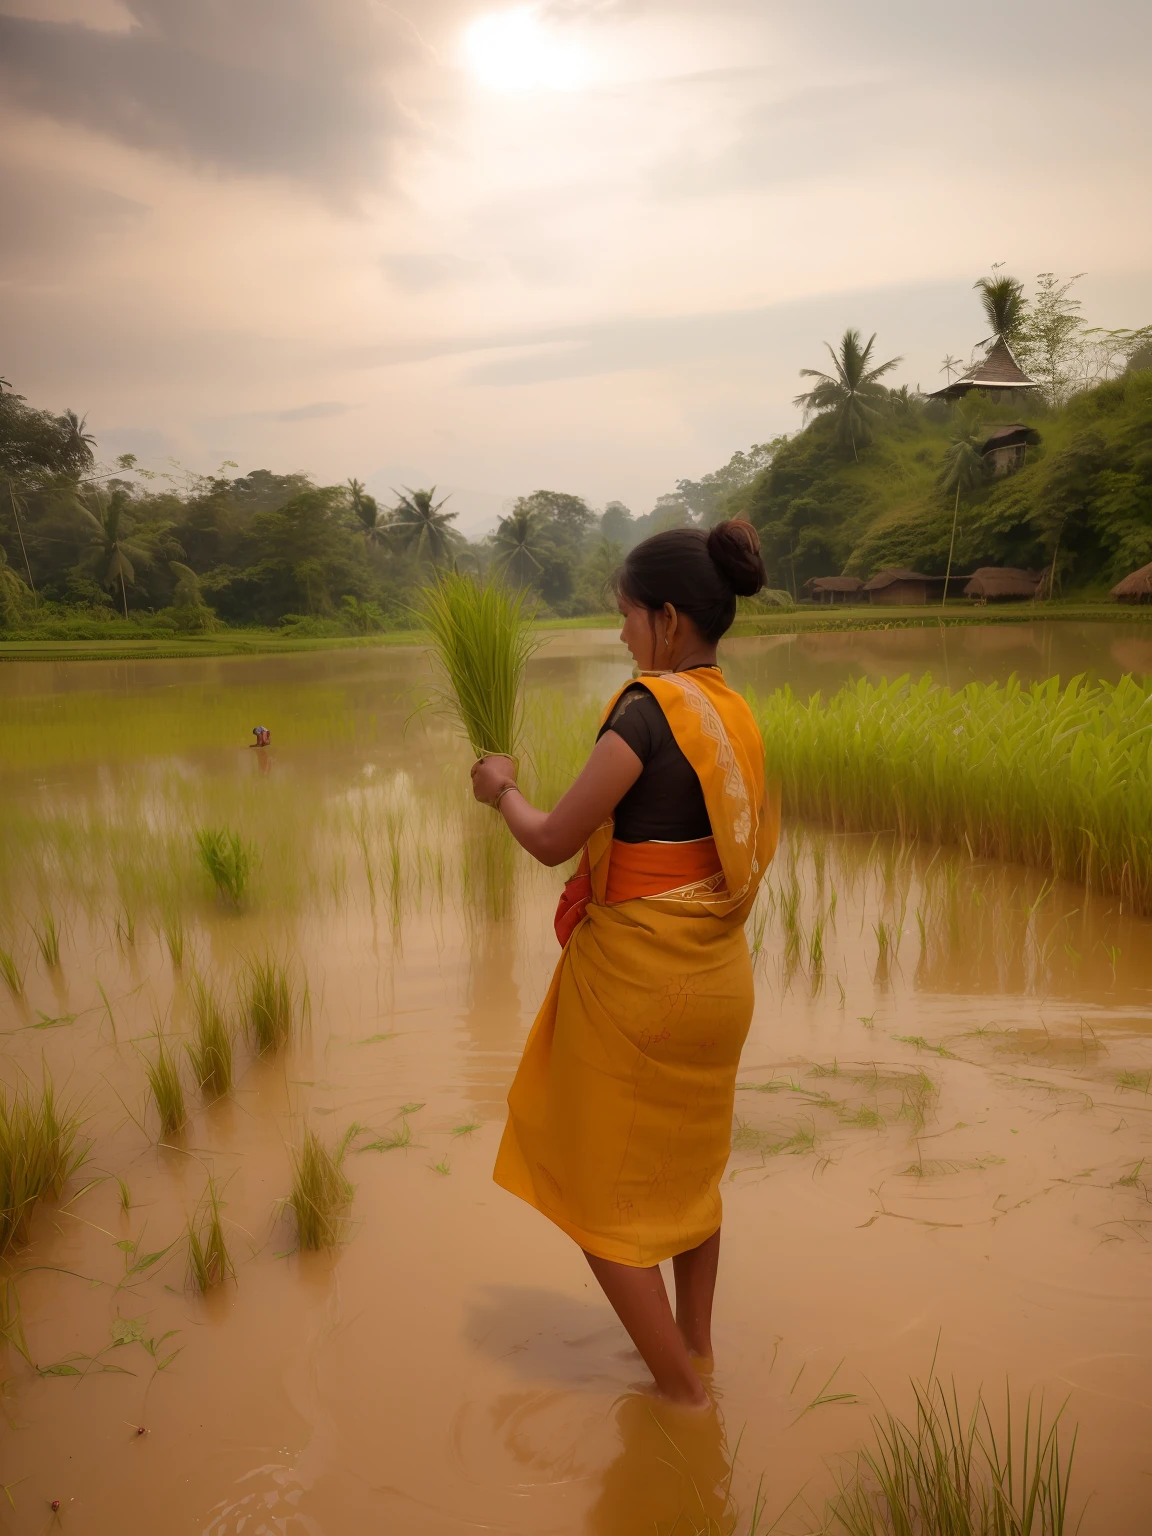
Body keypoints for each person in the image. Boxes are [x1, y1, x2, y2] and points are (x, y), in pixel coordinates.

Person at [470, 520, 779, 1407]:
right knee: (691, 1177)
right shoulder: (733, 711)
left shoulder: (648, 711)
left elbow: (553, 838)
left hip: (645, 987)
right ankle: (698, 1347)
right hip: (719, 977)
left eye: (627, 616)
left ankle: (685, 1401)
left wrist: (502, 790)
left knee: (599, 1207)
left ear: (668, 621)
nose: (619, 633)